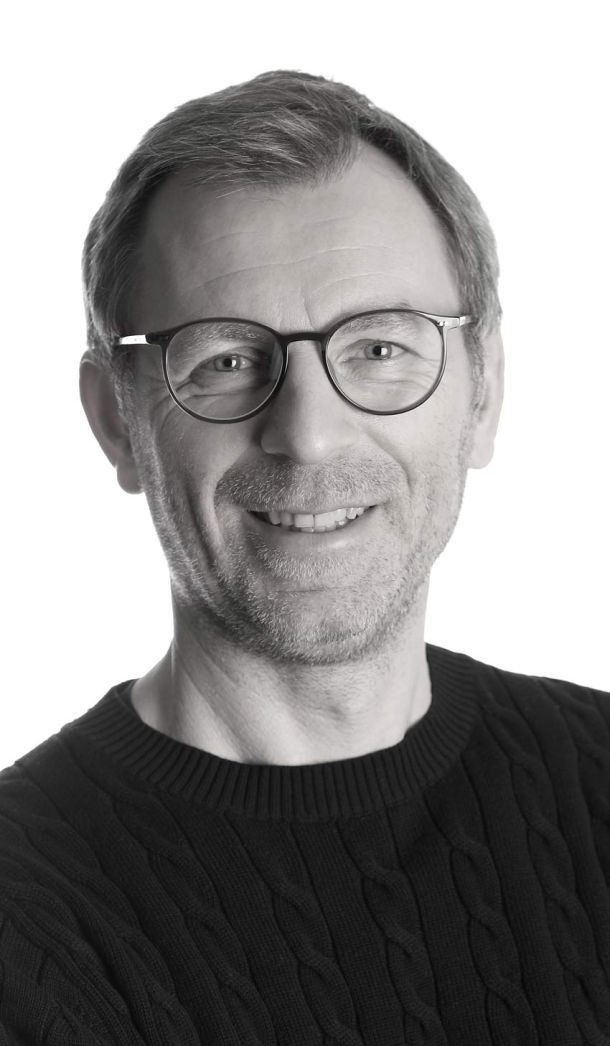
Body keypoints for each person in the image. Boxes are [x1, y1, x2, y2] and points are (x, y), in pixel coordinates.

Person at [1, 69, 609, 1046]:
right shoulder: (25, 916)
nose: (310, 435)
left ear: (484, 390)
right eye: (226, 359)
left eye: (379, 348)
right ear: (117, 419)